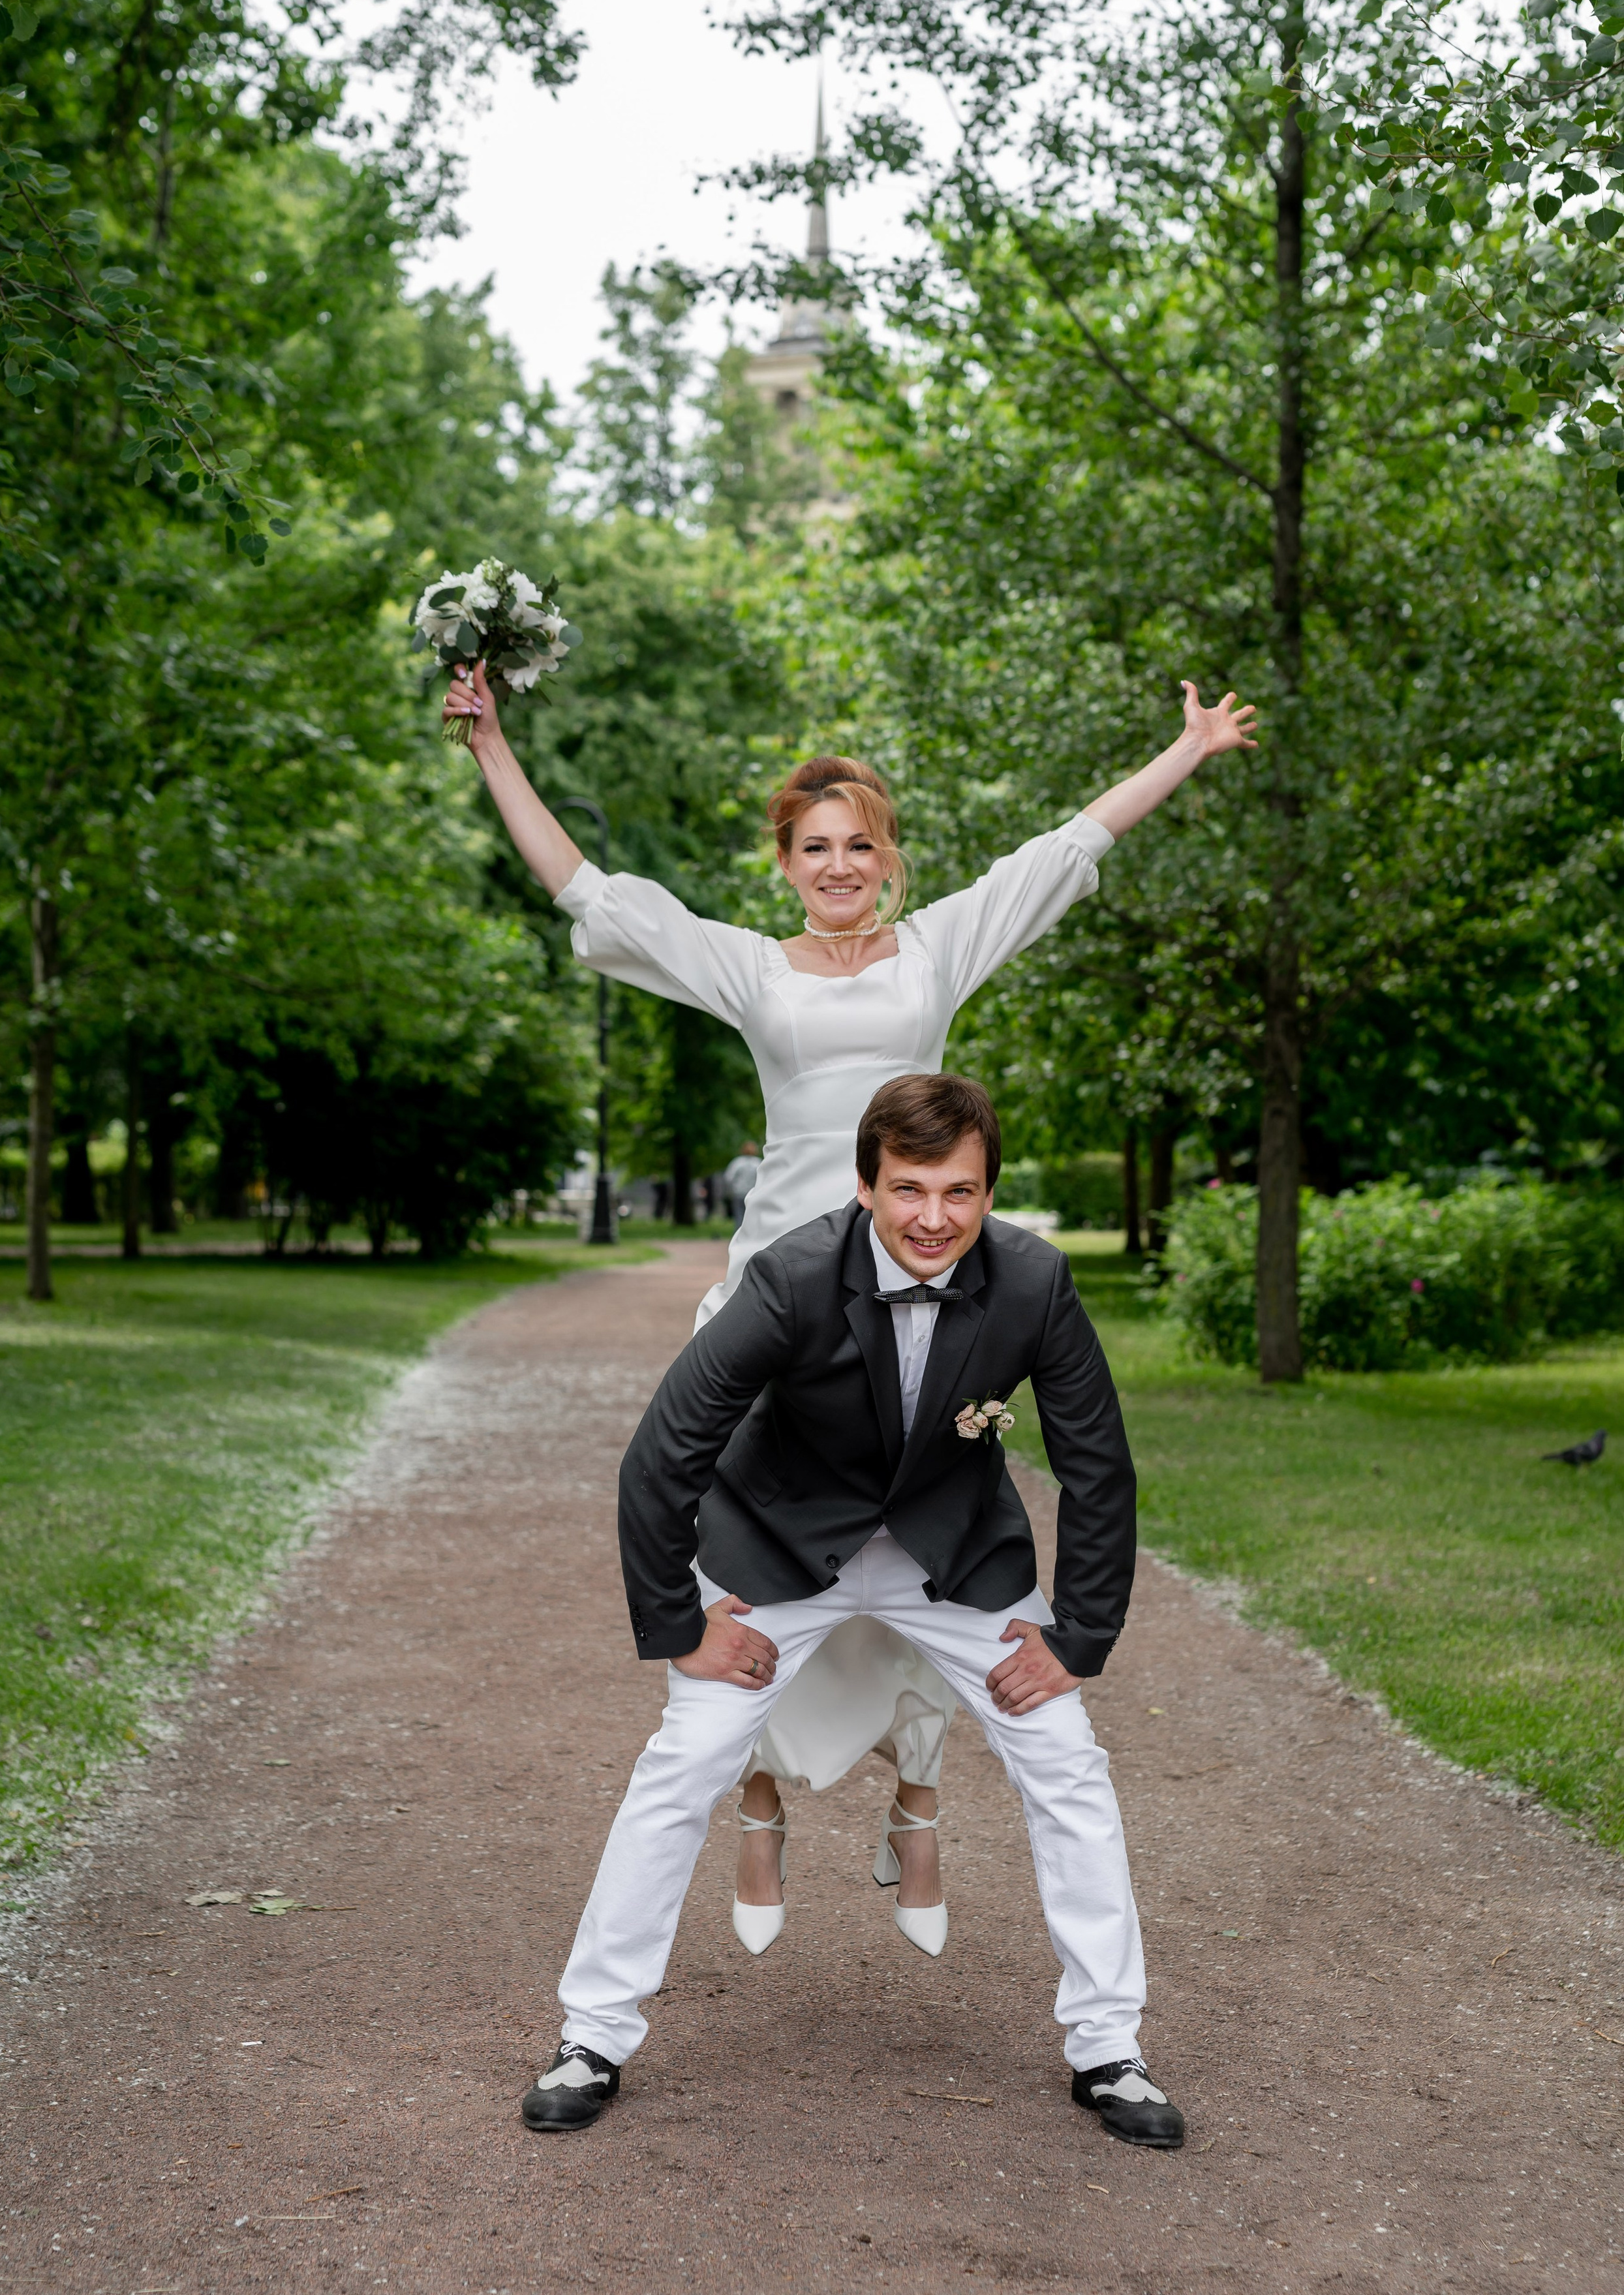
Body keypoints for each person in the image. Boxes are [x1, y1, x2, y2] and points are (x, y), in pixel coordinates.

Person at [441, 662, 1256, 1955]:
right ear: (784, 862)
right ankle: (755, 1797)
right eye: (813, 847)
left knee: (939, 1533)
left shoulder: (935, 951)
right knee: (759, 1556)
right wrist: (490, 743)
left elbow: (1065, 848)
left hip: (931, 1277)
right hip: (788, 1304)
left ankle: (915, 1794)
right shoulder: (750, 972)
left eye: (858, 845)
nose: (837, 865)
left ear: (889, 858)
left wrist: (1186, 751)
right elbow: (586, 889)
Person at [521, 1073, 1185, 2149]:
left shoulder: (1036, 1282)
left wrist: (1081, 1634)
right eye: (910, 1188)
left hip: (953, 1553)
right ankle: (592, 2032)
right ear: (866, 1185)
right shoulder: (792, 1277)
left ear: (989, 1193)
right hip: (785, 1547)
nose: (934, 1218)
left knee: (1067, 1759)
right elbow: (663, 1455)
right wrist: (682, 1626)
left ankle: (1109, 2047)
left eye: (960, 1192)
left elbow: (1097, 1467)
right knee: (685, 1758)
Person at [723, 1140, 763, 1224]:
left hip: (739, 1193)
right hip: (754, 1193)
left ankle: (739, 1236)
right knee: (753, 1218)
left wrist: (731, 1190)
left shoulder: (737, 1162)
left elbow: (728, 1178)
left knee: (739, 1217)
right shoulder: (759, 1163)